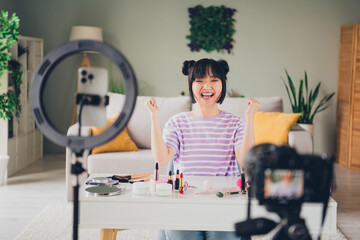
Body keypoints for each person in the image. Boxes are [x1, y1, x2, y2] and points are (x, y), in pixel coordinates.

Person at [145, 58, 260, 240]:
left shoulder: (236, 123)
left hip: (224, 203)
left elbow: (245, 160)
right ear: (191, 85)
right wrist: (153, 118)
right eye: (200, 81)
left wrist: (251, 118)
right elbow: (162, 159)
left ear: (223, 84)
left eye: (214, 80)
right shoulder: (177, 122)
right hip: (185, 204)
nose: (207, 87)